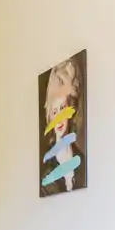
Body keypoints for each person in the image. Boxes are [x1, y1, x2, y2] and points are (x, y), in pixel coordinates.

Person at [41, 56, 86, 195]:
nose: (59, 118)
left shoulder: (81, 160)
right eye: (54, 111)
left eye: (62, 108)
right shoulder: (46, 169)